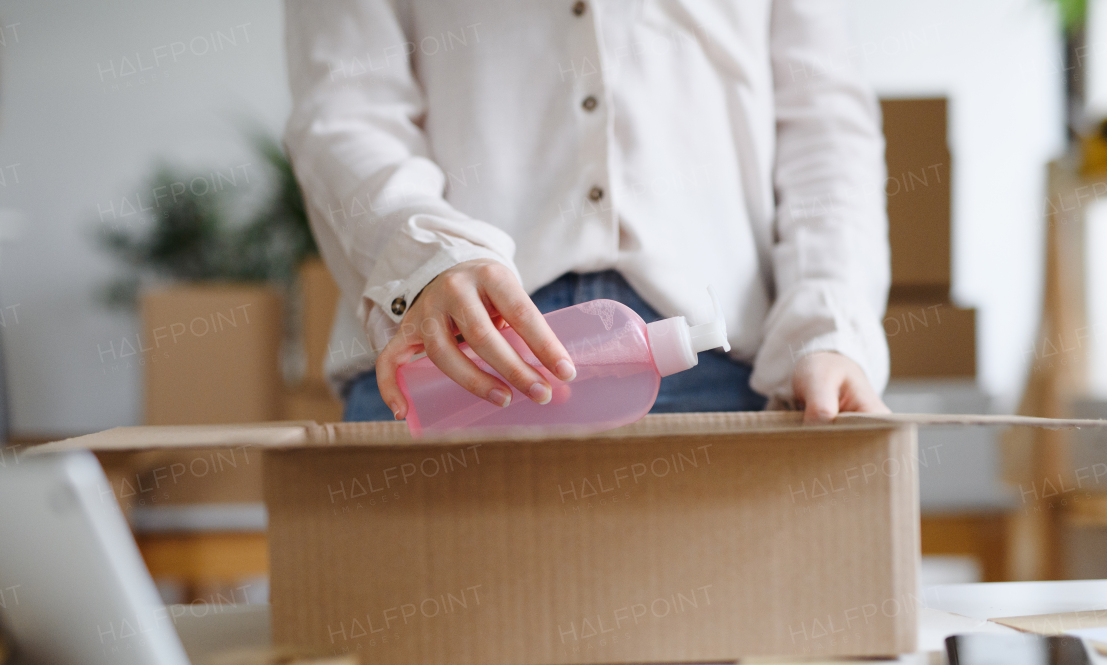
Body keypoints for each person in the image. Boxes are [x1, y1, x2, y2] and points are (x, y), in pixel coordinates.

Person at [284, 1, 892, 424]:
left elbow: (823, 128)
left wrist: (831, 322)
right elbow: (346, 109)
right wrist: (426, 257)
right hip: (449, 363)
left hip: (727, 378)